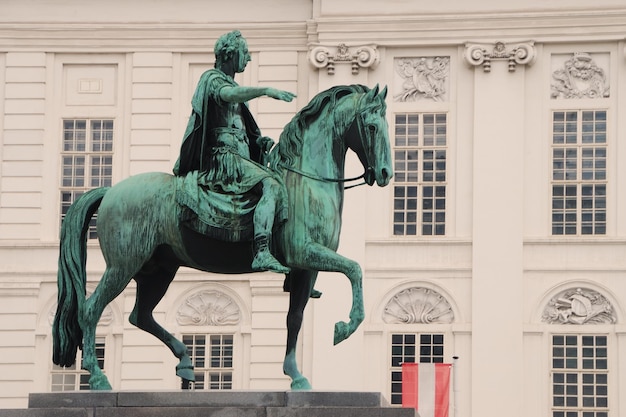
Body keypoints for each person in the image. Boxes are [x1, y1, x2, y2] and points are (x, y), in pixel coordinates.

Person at [173, 30, 295, 274]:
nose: (248, 59)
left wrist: (258, 143)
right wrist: (265, 90)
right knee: (271, 185)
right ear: (230, 54)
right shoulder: (212, 79)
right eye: (245, 53)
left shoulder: (232, 84)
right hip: (223, 158)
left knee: (281, 182)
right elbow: (226, 96)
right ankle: (261, 251)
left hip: (239, 156)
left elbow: (239, 128)